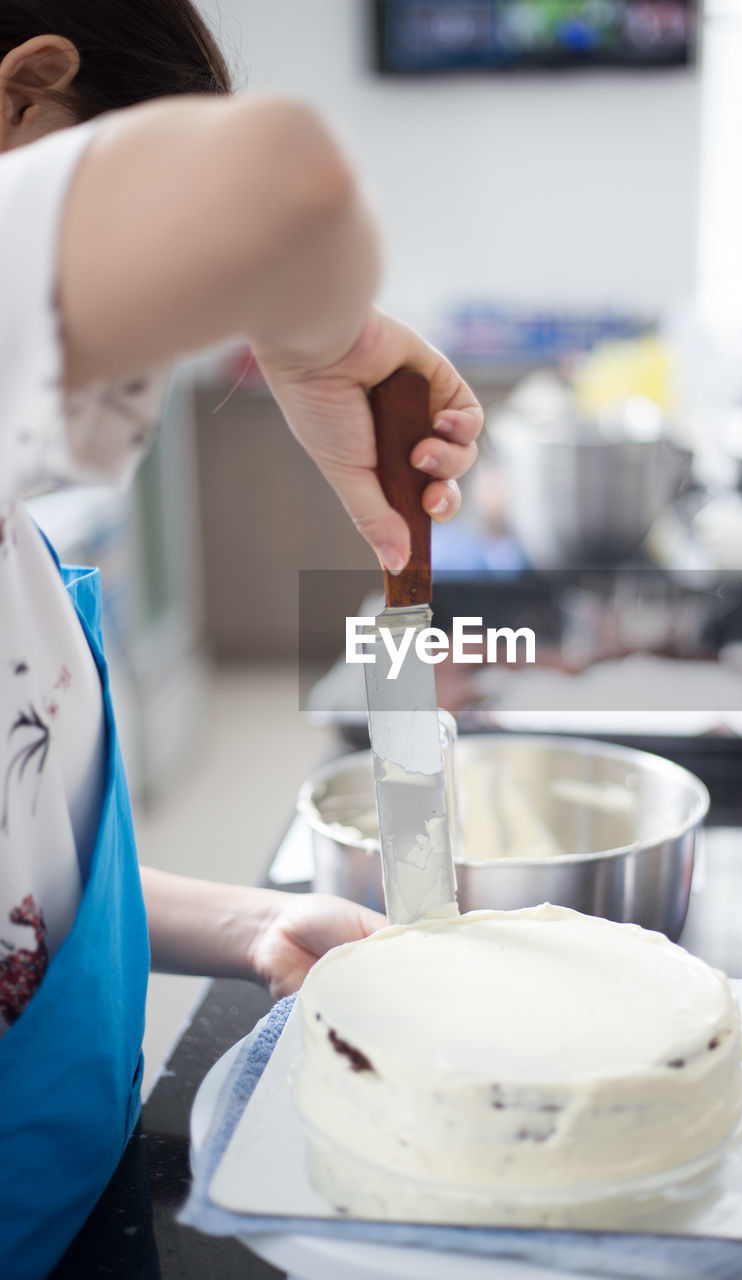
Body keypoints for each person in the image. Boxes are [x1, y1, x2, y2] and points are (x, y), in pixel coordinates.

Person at [0, 3, 483, 1275]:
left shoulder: (15, 534)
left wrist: (247, 919)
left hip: (80, 1194)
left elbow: (27, 885)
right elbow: (285, 179)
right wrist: (330, 345)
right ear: (22, 101)